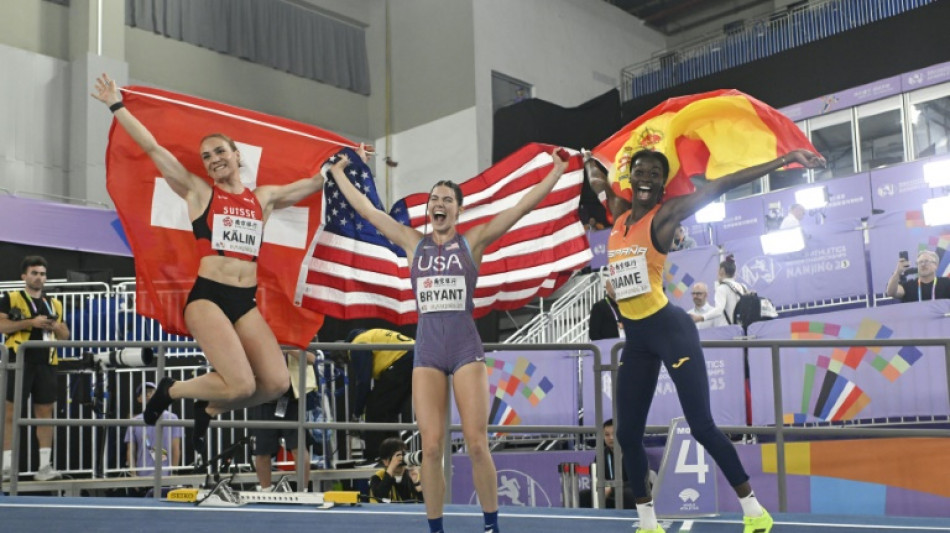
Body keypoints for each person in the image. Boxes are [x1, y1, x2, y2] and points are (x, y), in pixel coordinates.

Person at [329, 144, 569, 533]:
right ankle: (436, 529)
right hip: (426, 353)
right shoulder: (412, 243)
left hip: (464, 352)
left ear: (458, 210)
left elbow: (519, 209)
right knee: (432, 447)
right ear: (429, 211)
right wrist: (340, 174)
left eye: (446, 200)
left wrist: (555, 173)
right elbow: (368, 212)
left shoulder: (472, 242)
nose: (438, 204)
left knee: (476, 444)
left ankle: (491, 526)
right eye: (433, 200)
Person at [589, 147, 824, 533]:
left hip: (670, 331)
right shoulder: (618, 217)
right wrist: (588, 159)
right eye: (639, 171)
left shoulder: (664, 217)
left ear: (663, 184)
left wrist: (785, 161)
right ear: (630, 179)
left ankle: (754, 511)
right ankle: (648, 522)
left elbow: (720, 186)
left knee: (701, 426)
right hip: (637, 340)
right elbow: (598, 178)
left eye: (654, 173)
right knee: (627, 434)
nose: (645, 177)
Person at [91, 74, 327, 448]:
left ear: (236, 156)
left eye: (220, 151)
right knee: (242, 383)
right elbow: (153, 149)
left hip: (244, 302)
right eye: (207, 156)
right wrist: (117, 105)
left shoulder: (261, 198)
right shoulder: (199, 192)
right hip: (208, 298)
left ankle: (210, 410)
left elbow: (314, 183)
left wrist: (348, 162)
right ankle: (172, 389)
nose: (214, 159)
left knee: (277, 384)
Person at [1, 255, 71, 482]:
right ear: (24, 276)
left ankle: (44, 467)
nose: (39, 277)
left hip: (47, 361)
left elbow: (65, 337)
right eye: (34, 273)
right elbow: (2, 325)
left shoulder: (54, 303)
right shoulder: (10, 297)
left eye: (42, 273)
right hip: (19, 360)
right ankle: (6, 468)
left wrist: (55, 325)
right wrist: (30, 322)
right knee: (10, 413)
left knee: (45, 414)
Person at [340, 328, 415, 461]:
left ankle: (374, 456)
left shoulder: (357, 343)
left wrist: (356, 414)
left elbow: (363, 381)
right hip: (416, 359)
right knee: (388, 413)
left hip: (402, 362)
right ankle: (396, 455)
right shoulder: (374, 335)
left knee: (374, 409)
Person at [249, 349, 317, 492]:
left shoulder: (295, 334)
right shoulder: (255, 333)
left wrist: (290, 348)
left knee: (298, 446)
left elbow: (311, 359)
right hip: (263, 398)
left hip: (290, 398)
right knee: (262, 449)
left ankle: (302, 490)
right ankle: (265, 489)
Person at [126, 382, 182, 479]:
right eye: (145, 392)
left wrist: (174, 474)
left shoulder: (172, 418)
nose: (149, 395)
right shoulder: (135, 421)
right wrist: (133, 475)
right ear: (139, 399)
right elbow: (131, 450)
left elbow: (175, 448)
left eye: (152, 392)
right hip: (142, 477)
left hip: (165, 476)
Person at [578, 419, 635, 509]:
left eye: (614, 434)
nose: (611, 438)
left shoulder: (633, 453)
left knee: (627, 494)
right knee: (583, 495)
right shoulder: (601, 455)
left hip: (629, 492)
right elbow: (597, 478)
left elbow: (638, 481)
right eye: (607, 435)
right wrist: (603, 488)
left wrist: (612, 489)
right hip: (607, 493)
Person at [368, 437, 424, 503]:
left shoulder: (411, 476)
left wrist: (416, 483)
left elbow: (424, 504)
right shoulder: (377, 478)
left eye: (402, 455)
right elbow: (379, 496)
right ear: (385, 461)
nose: (400, 460)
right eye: (397, 456)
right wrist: (391, 468)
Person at [696, 256, 745, 327]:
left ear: (722, 271)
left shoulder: (722, 288)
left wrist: (701, 317)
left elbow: (718, 311)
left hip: (726, 330)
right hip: (740, 329)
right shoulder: (743, 287)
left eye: (718, 271)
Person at [885, 250, 950, 302]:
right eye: (920, 262)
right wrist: (897, 272)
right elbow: (891, 292)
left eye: (926, 261)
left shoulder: (946, 283)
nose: (923, 264)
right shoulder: (909, 285)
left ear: (936, 265)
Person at [588, 275, 623, 341]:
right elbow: (593, 333)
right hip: (608, 347)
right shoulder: (599, 306)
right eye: (613, 283)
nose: (616, 286)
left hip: (625, 345)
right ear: (607, 287)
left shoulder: (625, 304)